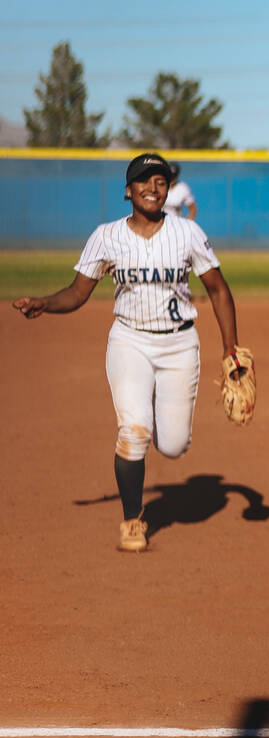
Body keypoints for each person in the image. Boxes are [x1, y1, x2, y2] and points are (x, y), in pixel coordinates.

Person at [11, 152, 242, 552]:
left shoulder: (187, 233)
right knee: (133, 432)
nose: (154, 187)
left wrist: (231, 350)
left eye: (161, 180)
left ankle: (152, 399)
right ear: (128, 190)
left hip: (179, 344)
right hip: (130, 340)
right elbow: (78, 292)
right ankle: (133, 521)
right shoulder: (107, 236)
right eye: (144, 180)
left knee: (172, 445)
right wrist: (46, 303)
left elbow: (218, 289)